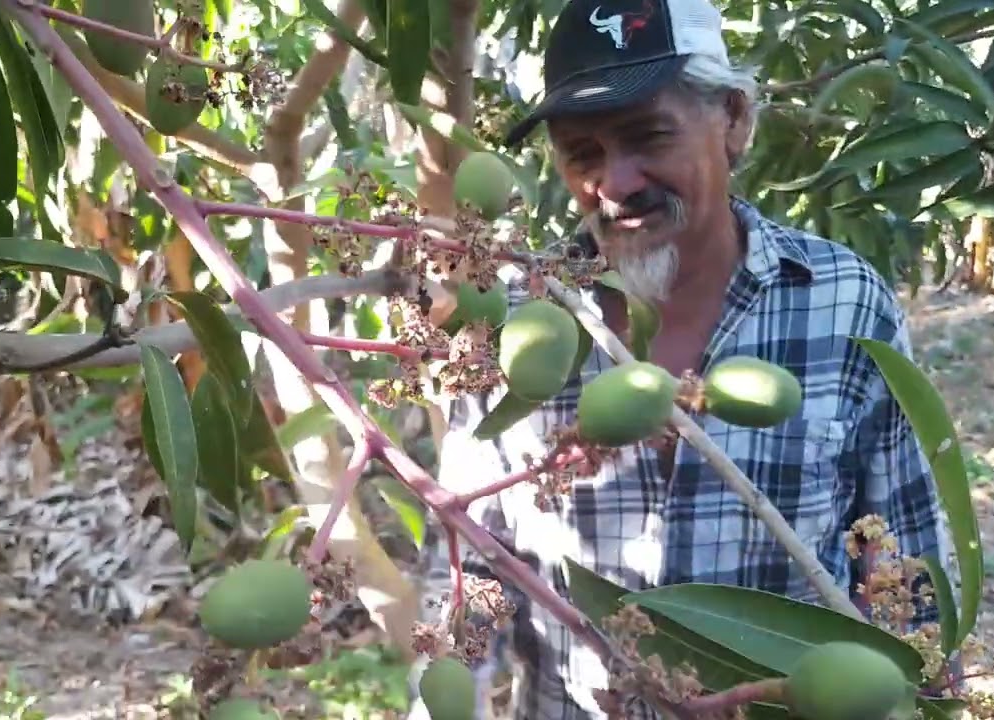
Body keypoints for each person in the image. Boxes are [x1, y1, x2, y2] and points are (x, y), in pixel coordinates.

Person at [407, 0, 957, 717]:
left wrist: (928, 693)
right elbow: (469, 569)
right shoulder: (518, 322)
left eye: (647, 137)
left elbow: (904, 565)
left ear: (731, 120)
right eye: (584, 153)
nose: (617, 181)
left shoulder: (843, 303)